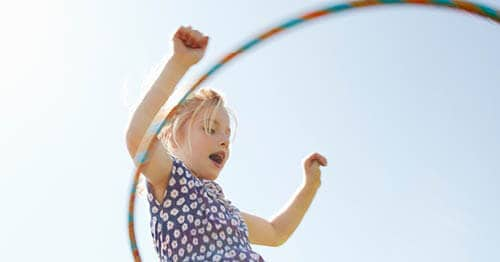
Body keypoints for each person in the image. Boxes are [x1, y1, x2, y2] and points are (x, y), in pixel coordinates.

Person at [126, 25, 328, 262]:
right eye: (210, 129)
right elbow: (138, 136)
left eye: (227, 136)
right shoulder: (170, 179)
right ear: (173, 135)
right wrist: (179, 63)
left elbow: (276, 232)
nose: (223, 141)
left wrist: (310, 185)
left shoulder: (227, 212)